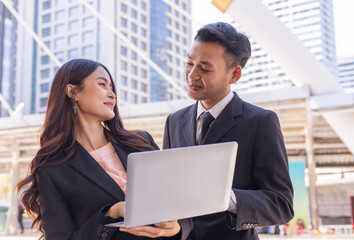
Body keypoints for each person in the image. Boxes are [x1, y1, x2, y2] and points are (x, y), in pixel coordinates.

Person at [17, 59, 184, 240]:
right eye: (102, 84)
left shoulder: (141, 142)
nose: (112, 94)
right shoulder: (52, 168)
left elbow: (174, 207)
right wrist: (111, 213)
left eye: (112, 87)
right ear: (73, 92)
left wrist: (175, 228)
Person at [163, 22, 294, 240]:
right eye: (189, 62)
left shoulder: (261, 122)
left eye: (205, 68)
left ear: (234, 75)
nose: (192, 74)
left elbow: (281, 204)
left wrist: (224, 197)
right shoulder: (173, 121)